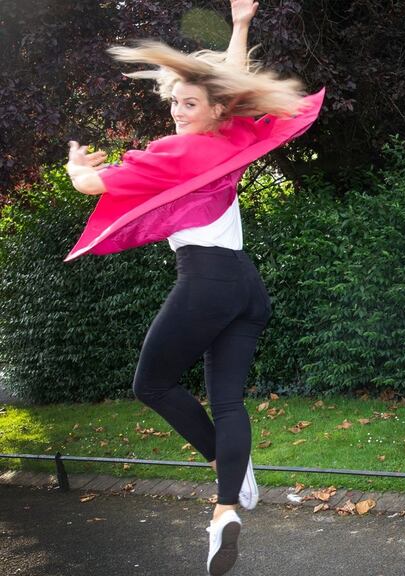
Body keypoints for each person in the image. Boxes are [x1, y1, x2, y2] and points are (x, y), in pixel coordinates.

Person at [63, 2, 322, 574]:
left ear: (213, 109)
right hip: (246, 288)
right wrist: (239, 27)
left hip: (206, 281)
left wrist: (77, 164)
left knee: (151, 383)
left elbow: (89, 185)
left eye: (188, 104)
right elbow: (224, 84)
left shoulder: (175, 152)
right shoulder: (228, 136)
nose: (178, 113)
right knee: (227, 400)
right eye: (174, 102)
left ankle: (229, 468)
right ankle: (226, 508)